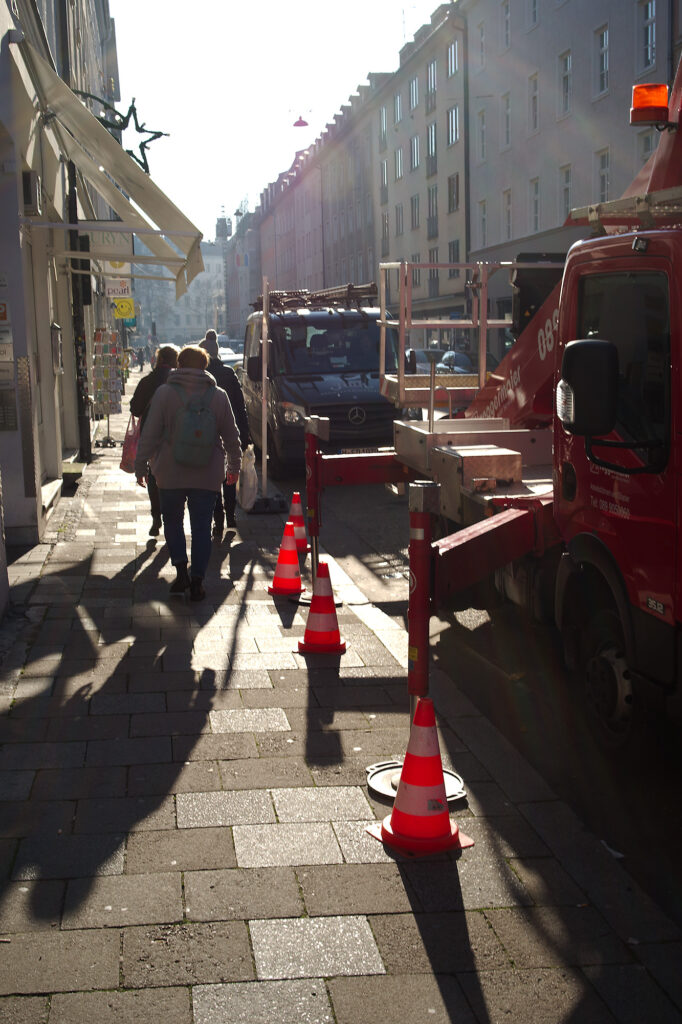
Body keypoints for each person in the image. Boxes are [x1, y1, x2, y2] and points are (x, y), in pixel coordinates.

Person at [134, 344, 242, 601]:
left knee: (171, 520)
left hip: (169, 473)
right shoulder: (219, 396)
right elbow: (231, 437)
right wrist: (234, 467)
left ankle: (181, 569)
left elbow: (149, 434)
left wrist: (140, 466)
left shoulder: (164, 394)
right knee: (202, 526)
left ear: (179, 366)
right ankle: (198, 581)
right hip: (207, 474)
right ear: (205, 366)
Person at [200, 329, 250, 538]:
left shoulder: (200, 377)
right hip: (230, 431)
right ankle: (231, 516)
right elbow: (240, 406)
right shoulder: (228, 373)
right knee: (230, 475)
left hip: (207, 436)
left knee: (212, 479)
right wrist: (245, 436)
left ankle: (218, 521)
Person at [129, 344, 179, 536]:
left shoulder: (147, 381)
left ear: (159, 360)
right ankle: (172, 517)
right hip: (175, 434)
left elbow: (135, 408)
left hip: (152, 435)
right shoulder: (178, 382)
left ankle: (156, 515)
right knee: (174, 474)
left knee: (153, 474)